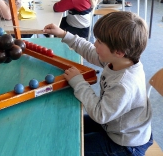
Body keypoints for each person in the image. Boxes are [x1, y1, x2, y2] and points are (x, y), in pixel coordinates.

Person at [43, 11, 153, 155]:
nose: (94, 43)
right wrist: (64, 35)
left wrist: (79, 83)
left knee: (70, 149)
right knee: (70, 127)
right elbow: (89, 51)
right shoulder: (119, 60)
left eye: (100, 41)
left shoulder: (124, 84)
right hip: (112, 122)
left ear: (119, 52)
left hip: (124, 143)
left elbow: (99, 114)